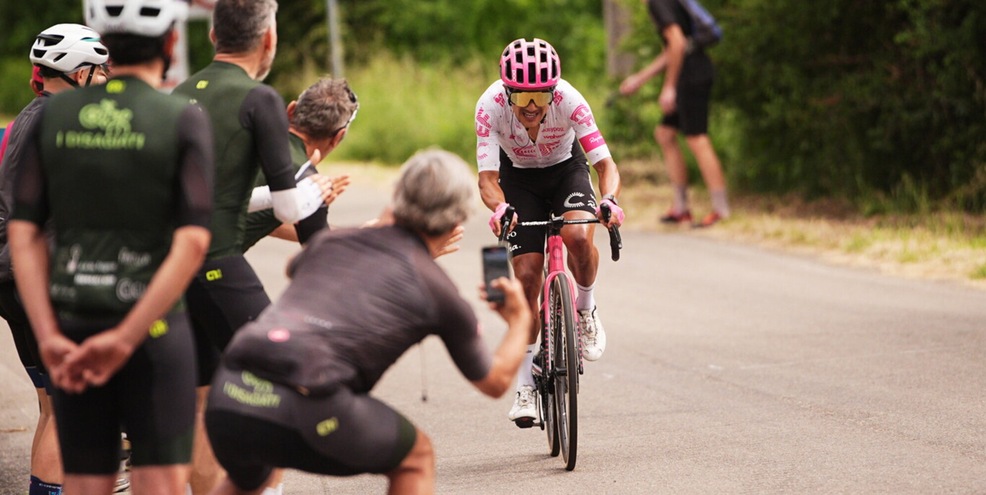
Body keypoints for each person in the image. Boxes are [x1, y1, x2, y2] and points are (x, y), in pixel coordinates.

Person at [204, 148, 532, 495]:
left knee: (246, 479)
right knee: (416, 456)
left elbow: (297, 268)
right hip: (308, 400)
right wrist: (520, 320)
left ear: (396, 199)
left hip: (230, 392)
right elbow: (494, 381)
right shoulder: (434, 287)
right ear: (456, 222)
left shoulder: (329, 243)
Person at [7, 0, 214, 492]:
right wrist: (126, 339)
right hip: (155, 325)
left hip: (74, 319)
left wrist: (49, 334)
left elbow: (23, 233)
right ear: (170, 44)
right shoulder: (181, 117)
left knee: (85, 477)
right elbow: (193, 241)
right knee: (159, 477)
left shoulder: (51, 118)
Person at [170, 1, 326, 492]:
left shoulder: (179, 92)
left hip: (171, 271)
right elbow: (287, 207)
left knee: (199, 404)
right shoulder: (259, 99)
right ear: (268, 40)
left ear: (214, 36)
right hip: (217, 262)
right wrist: (313, 189)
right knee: (285, 381)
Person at [475, 38, 625, 425]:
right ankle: (525, 386)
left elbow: (605, 164)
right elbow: (488, 179)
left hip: (565, 171)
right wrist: (501, 207)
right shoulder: (489, 107)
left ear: (553, 92)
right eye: (521, 96)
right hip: (518, 181)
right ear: (506, 91)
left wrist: (609, 200)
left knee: (577, 236)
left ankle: (586, 307)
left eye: (540, 97)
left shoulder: (571, 101)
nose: (530, 107)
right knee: (525, 275)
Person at [0, 22, 111, 495]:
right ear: (78, 72)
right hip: (40, 278)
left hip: (14, 276)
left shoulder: (29, 115)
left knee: (53, 408)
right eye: (100, 68)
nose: (107, 76)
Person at [619, 0, 730, 227]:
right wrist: (640, 79)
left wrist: (669, 87)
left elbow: (677, 42)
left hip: (692, 75)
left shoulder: (658, 3)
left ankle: (721, 210)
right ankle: (681, 208)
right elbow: (672, 49)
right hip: (690, 72)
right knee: (665, 134)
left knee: (697, 138)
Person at [241, 77, 356, 251]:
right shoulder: (306, 179)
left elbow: (258, 215)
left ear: (291, 110)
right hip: (206, 256)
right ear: (338, 137)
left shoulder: (251, 136)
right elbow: (320, 246)